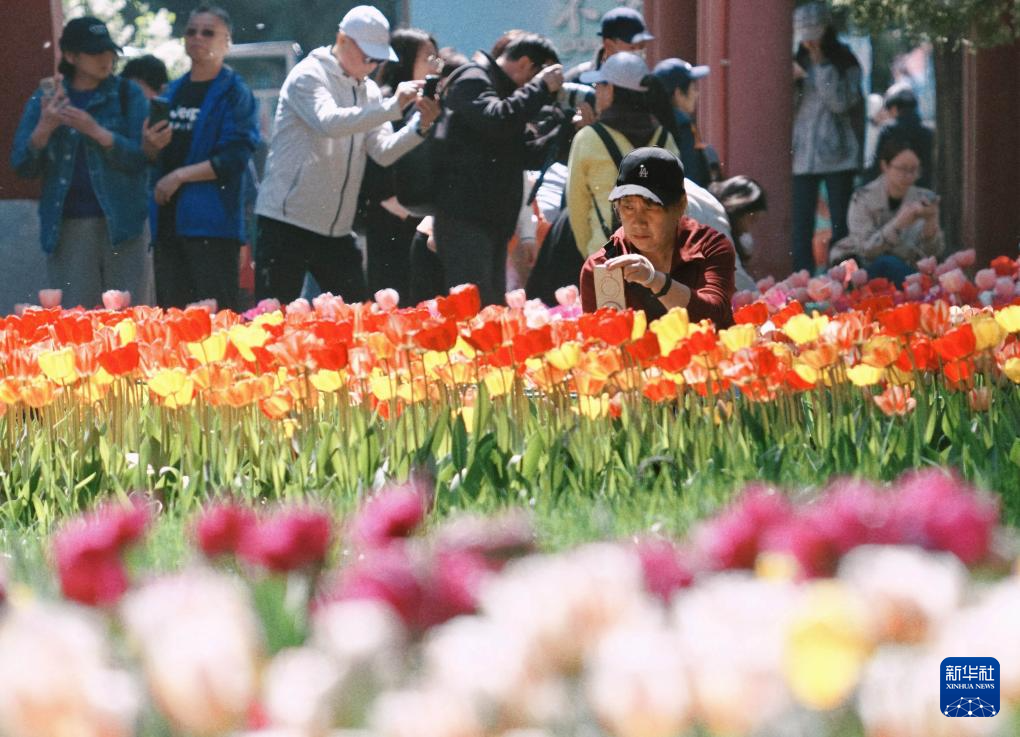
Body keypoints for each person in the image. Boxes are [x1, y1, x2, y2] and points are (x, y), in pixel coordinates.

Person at [254, 5, 440, 305]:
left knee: (357, 317)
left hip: (337, 230)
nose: (371, 65)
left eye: (377, 59)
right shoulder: (308, 75)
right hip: (285, 222)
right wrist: (393, 107)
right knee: (273, 317)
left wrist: (421, 124)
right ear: (342, 40)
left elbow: (383, 152)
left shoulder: (369, 91)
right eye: (367, 55)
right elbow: (328, 122)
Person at [11, 16, 152, 309]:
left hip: (123, 227)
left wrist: (98, 133)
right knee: (78, 323)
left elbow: (142, 159)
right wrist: (44, 129)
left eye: (109, 51)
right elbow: (22, 166)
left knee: (131, 321)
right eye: (95, 52)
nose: (106, 59)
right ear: (72, 56)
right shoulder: (46, 99)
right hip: (69, 225)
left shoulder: (128, 94)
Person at [432, 32, 563, 305]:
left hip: (490, 224)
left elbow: (523, 154)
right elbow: (496, 119)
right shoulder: (473, 78)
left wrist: (568, 129)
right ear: (526, 64)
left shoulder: (505, 95)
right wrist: (539, 88)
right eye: (540, 75)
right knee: (474, 312)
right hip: (465, 221)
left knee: (491, 312)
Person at [143, 5, 259, 312]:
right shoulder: (172, 91)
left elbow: (234, 158)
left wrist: (179, 176)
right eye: (191, 31)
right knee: (174, 329)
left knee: (217, 327)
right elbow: (155, 157)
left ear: (227, 42)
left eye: (208, 32)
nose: (197, 38)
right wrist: (150, 145)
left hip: (212, 227)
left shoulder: (235, 92)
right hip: (168, 227)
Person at [579, 147, 735, 326]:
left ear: (680, 205)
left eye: (651, 207)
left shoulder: (710, 246)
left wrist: (655, 280)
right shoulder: (601, 266)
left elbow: (716, 317)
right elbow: (601, 345)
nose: (638, 222)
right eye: (628, 207)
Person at [566, 52, 680, 258]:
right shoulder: (666, 139)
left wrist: (592, 253)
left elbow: (577, 209)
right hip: (658, 261)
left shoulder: (588, 138)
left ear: (610, 90)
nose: (596, 91)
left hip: (607, 260)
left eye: (599, 85)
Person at [358, 27, 441, 299]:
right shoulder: (384, 103)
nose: (435, 64)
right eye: (428, 57)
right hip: (390, 221)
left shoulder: (433, 105)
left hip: (423, 221)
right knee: (392, 305)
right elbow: (373, 167)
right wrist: (403, 207)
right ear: (405, 61)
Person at [791, 2, 863, 274]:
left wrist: (820, 66)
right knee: (801, 227)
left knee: (840, 226)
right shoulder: (796, 61)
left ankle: (844, 278)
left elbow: (840, 102)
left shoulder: (845, 61)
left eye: (814, 32)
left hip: (838, 154)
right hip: (802, 156)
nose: (809, 40)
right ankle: (802, 279)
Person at [828, 137, 943, 286]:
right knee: (886, 263)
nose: (909, 176)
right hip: (863, 266)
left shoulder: (922, 198)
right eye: (903, 169)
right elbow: (866, 249)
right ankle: (926, 289)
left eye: (914, 170)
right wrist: (898, 224)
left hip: (904, 267)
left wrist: (931, 221)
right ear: (885, 166)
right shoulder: (863, 197)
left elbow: (931, 255)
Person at [652, 57, 712, 186]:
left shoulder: (649, 121)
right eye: (693, 88)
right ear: (678, 93)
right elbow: (691, 175)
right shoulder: (682, 124)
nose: (697, 94)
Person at [868, 82, 934, 189]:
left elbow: (878, 163)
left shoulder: (888, 129)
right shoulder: (928, 131)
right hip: (922, 188)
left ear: (894, 109)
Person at [708, 175, 767, 293]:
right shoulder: (715, 221)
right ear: (738, 209)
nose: (747, 230)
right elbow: (736, 276)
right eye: (752, 220)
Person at [565, 6, 653, 82]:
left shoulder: (649, 81)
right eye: (632, 47)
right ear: (609, 45)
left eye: (642, 46)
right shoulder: (579, 78)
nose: (639, 52)